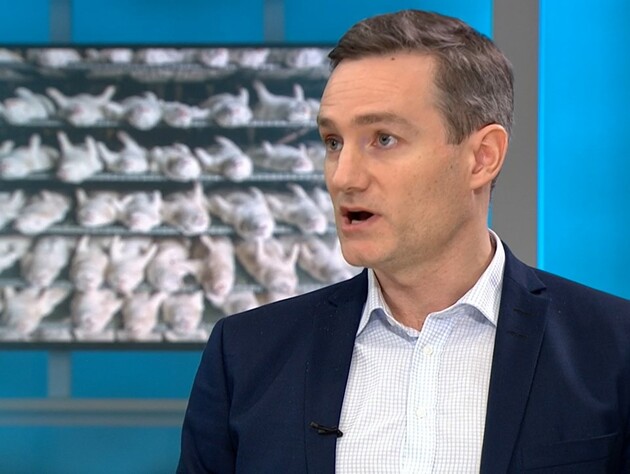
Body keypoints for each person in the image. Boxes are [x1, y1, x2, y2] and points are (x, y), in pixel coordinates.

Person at [177, 9, 630, 473]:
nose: (343, 177)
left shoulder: (614, 348)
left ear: (481, 157)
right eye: (333, 142)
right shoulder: (244, 356)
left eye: (384, 139)